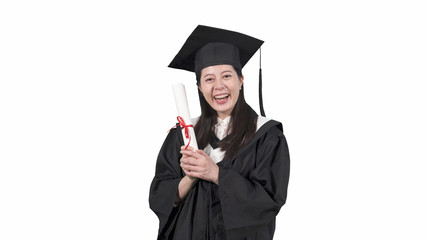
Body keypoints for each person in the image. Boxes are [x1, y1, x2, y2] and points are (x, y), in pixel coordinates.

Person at [149, 25, 290, 240]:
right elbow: (159, 197)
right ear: (199, 87)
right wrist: (189, 178)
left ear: (241, 81)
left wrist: (216, 174)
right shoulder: (182, 135)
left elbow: (268, 201)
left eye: (226, 76)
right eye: (209, 79)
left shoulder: (267, 136)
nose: (218, 86)